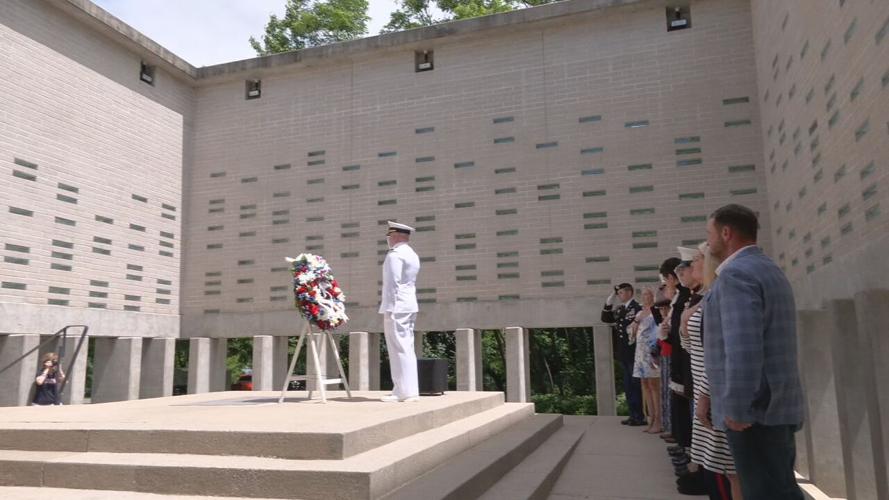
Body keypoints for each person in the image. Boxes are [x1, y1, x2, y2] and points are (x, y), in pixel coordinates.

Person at [704, 204, 804, 499]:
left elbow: (743, 348)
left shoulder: (736, 275)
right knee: (781, 488)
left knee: (764, 492)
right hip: (775, 407)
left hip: (754, 413)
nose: (708, 243)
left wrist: (735, 407)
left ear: (726, 232)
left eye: (709, 235)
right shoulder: (767, 268)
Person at [680, 244, 741, 499]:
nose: (691, 265)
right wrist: (685, 320)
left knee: (730, 472)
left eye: (696, 260)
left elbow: (719, 350)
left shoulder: (719, 292)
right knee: (719, 469)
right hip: (703, 388)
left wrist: (705, 392)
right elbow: (690, 346)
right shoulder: (705, 296)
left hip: (714, 390)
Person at [379, 220, 422, 403]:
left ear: (395, 236)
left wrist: (389, 308)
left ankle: (404, 391)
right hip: (409, 304)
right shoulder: (412, 254)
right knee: (406, 348)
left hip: (397, 306)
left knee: (398, 348)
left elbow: (392, 284)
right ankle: (407, 391)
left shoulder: (395, 255)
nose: (388, 240)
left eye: (389, 236)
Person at [602, 283, 645, 426]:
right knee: (627, 385)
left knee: (635, 384)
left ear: (629, 292)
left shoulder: (636, 308)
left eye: (621, 292)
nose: (619, 295)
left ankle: (639, 416)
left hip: (633, 353)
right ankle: (632, 415)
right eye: (618, 293)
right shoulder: (621, 309)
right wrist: (610, 298)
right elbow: (606, 318)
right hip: (623, 354)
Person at [630, 288, 663, 434]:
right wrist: (635, 323)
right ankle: (650, 418)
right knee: (645, 385)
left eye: (649, 294)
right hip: (640, 353)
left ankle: (659, 420)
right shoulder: (639, 313)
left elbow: (660, 329)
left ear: (653, 296)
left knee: (654, 386)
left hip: (652, 353)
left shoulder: (657, 311)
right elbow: (631, 332)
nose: (646, 297)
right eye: (644, 295)